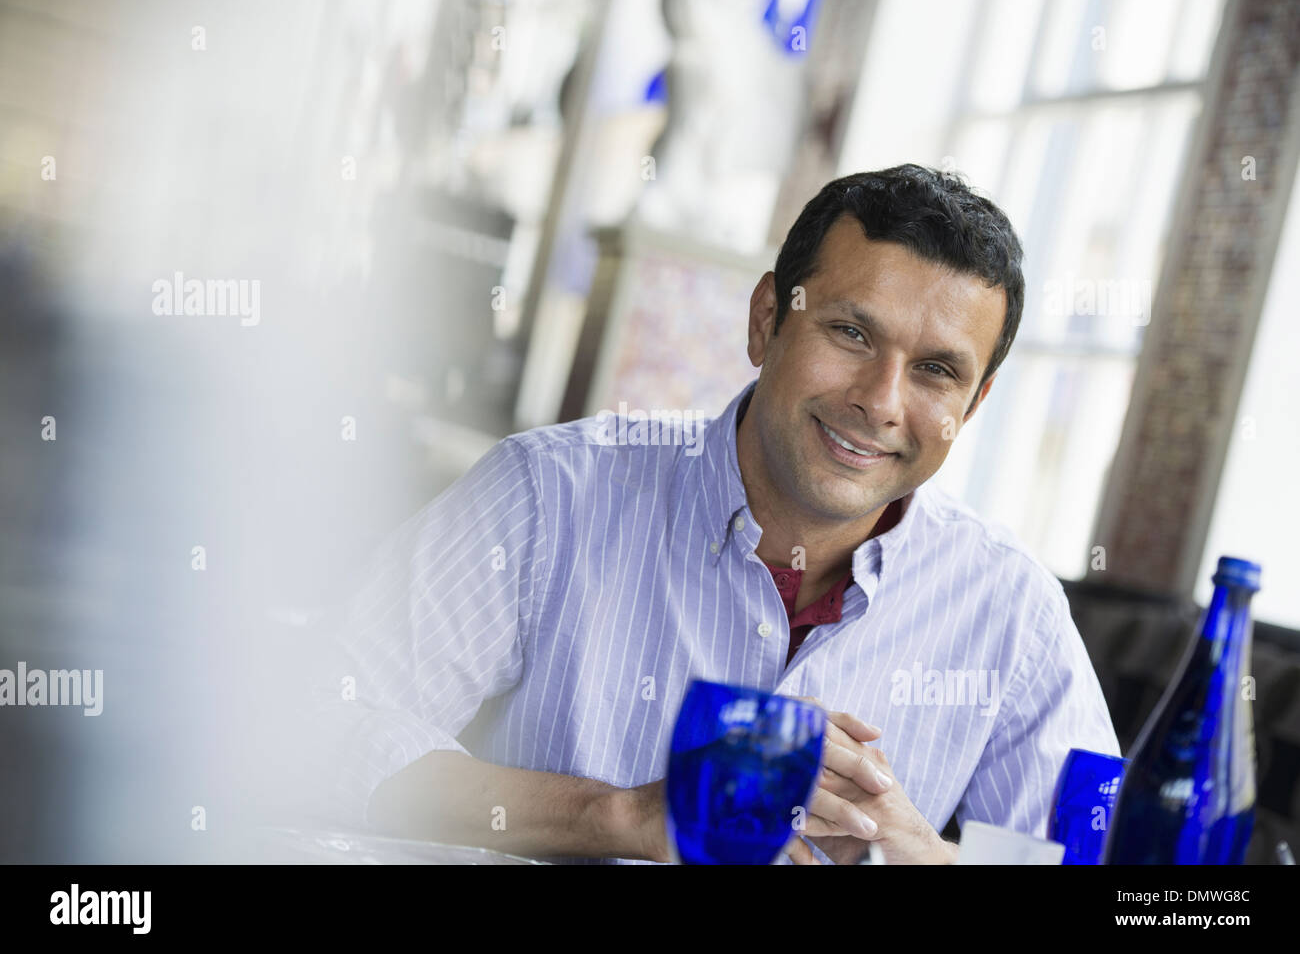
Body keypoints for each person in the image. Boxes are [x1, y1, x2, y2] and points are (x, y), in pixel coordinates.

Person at [311, 164, 1120, 864]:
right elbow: (313, 721)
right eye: (849, 331)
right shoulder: (549, 493)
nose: (880, 402)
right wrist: (623, 814)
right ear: (767, 319)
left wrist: (925, 858)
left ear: (973, 405)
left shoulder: (1015, 613)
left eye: (936, 371)